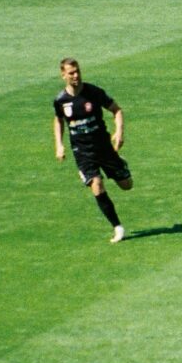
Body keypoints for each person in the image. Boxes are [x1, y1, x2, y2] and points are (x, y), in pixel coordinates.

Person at [53, 58, 133, 244]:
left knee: (127, 185)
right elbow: (58, 120)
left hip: (104, 147)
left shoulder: (93, 92)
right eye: (71, 73)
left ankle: (121, 164)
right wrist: (59, 144)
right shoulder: (61, 100)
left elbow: (117, 110)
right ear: (63, 75)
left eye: (78, 71)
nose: (76, 75)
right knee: (96, 184)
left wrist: (119, 132)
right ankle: (117, 227)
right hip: (82, 152)